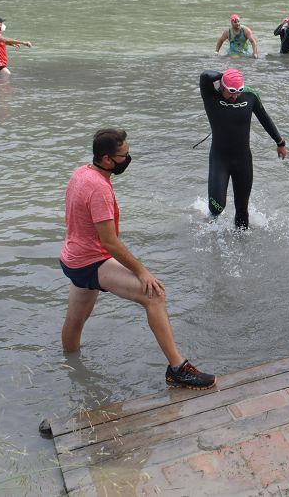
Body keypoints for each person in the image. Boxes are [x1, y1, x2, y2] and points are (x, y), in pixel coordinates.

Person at [59, 128, 216, 389]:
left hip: (72, 258)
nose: (128, 157)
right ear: (107, 159)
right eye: (124, 154)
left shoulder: (82, 173)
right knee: (154, 295)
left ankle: (70, 370)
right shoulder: (99, 188)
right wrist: (142, 271)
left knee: (75, 320)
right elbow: (109, 241)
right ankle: (178, 369)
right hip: (90, 261)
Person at [200, 68, 286, 229]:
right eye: (231, 92)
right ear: (222, 86)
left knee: (242, 210)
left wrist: (280, 142)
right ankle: (211, 232)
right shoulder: (210, 96)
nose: (235, 96)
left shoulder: (250, 95)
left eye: (238, 91)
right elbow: (205, 76)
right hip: (220, 159)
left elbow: (264, 118)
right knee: (217, 207)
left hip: (243, 160)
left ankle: (243, 247)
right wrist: (226, 75)